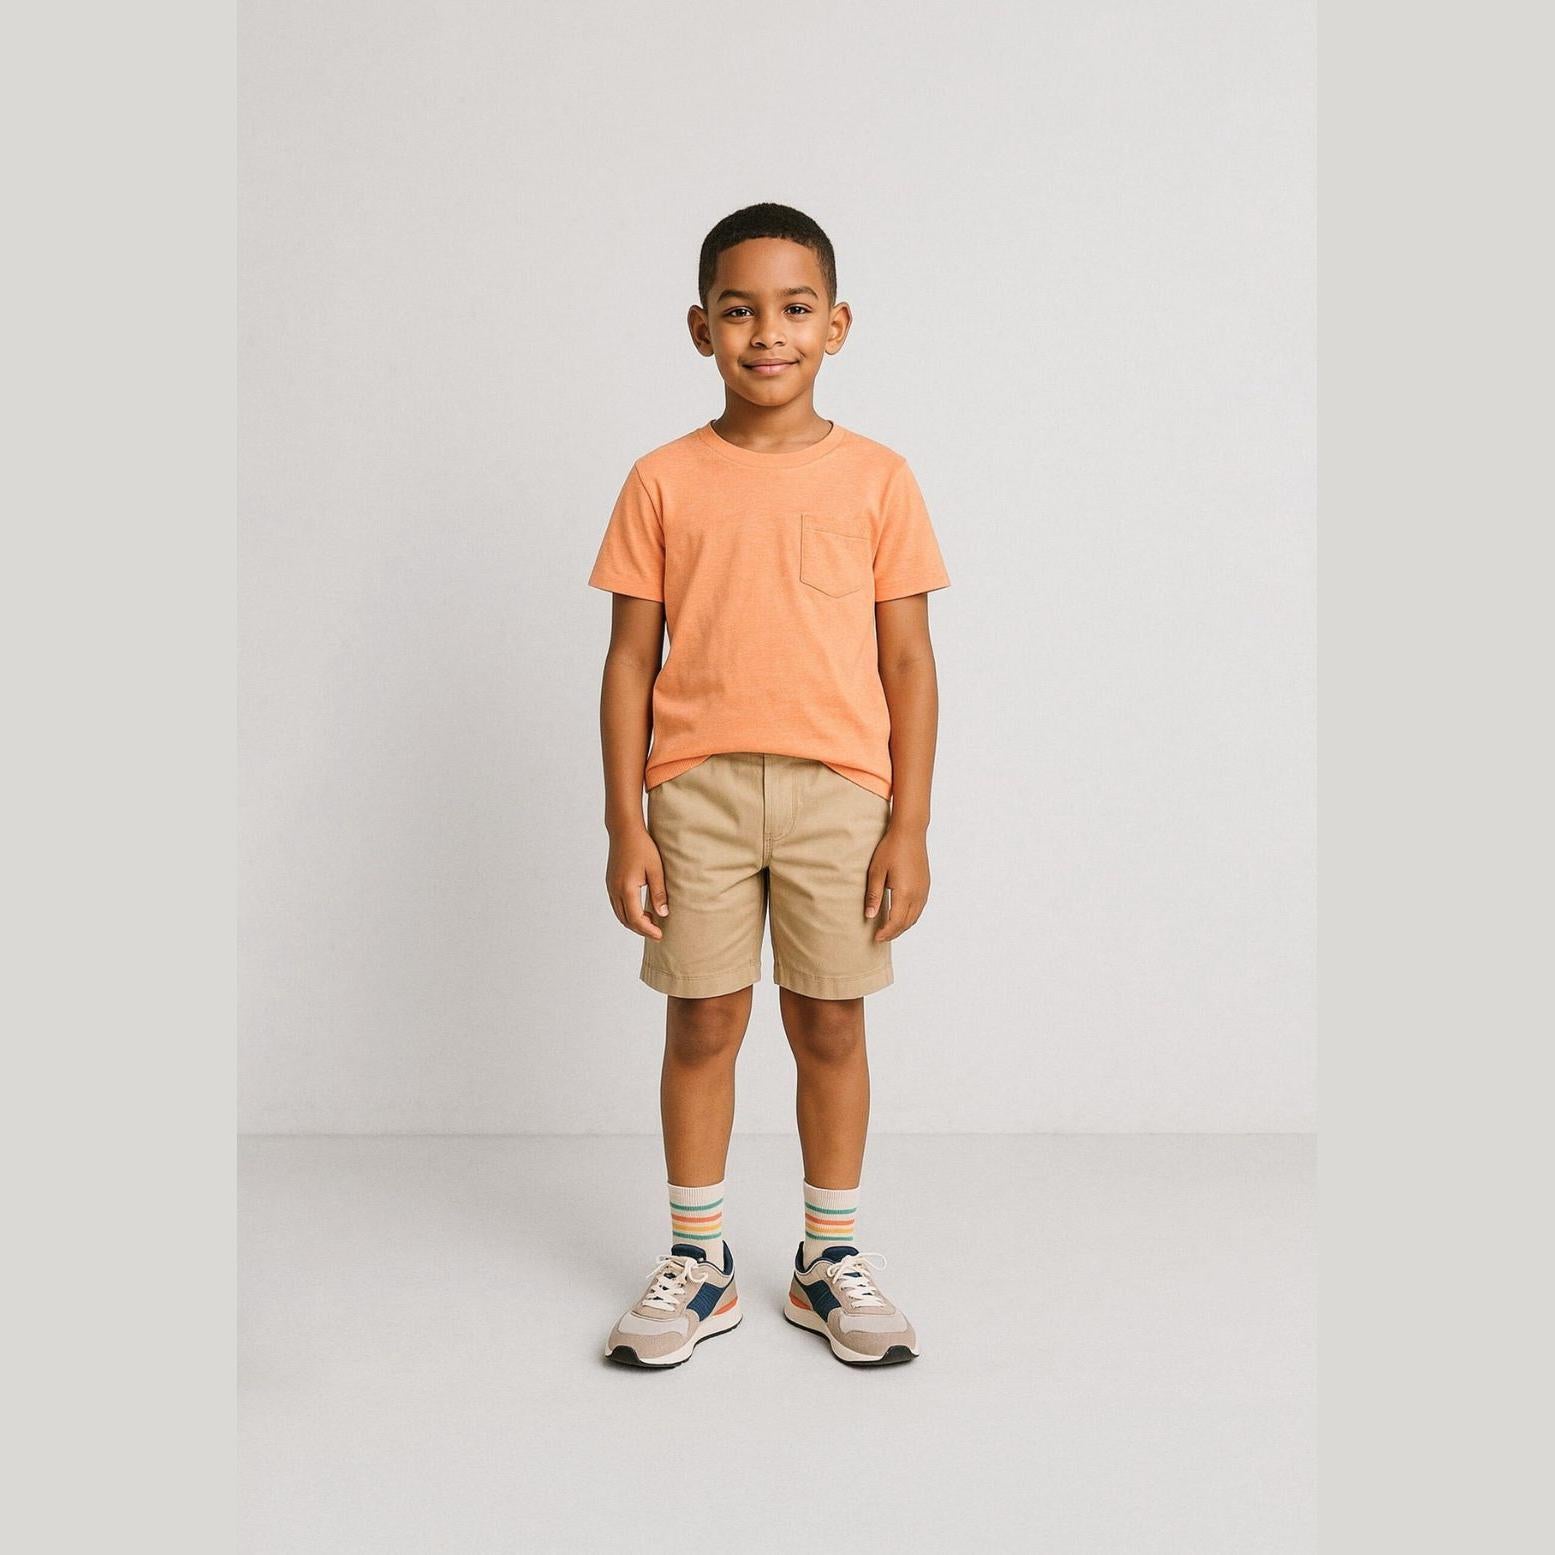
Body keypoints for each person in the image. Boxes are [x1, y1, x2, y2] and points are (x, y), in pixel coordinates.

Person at [587, 202, 950, 1369]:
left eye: (794, 309)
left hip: (840, 793)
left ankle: (825, 1259)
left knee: (829, 1021)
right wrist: (621, 824)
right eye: (739, 310)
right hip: (692, 794)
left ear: (836, 324)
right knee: (703, 1017)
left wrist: (912, 825)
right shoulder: (661, 479)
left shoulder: (880, 479)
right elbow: (628, 660)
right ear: (701, 328)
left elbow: (908, 661)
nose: (767, 333)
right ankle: (700, 1260)